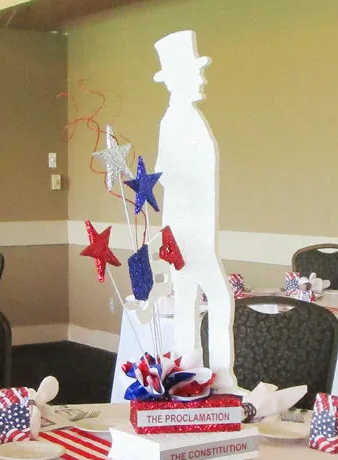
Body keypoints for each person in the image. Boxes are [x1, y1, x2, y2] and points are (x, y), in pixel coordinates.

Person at [153, 30, 238, 392]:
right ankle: (220, 374)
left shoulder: (186, 118)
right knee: (217, 297)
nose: (202, 79)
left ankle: (188, 368)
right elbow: (165, 173)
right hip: (188, 231)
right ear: (180, 78)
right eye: (196, 72)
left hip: (193, 227)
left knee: (191, 297)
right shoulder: (175, 121)